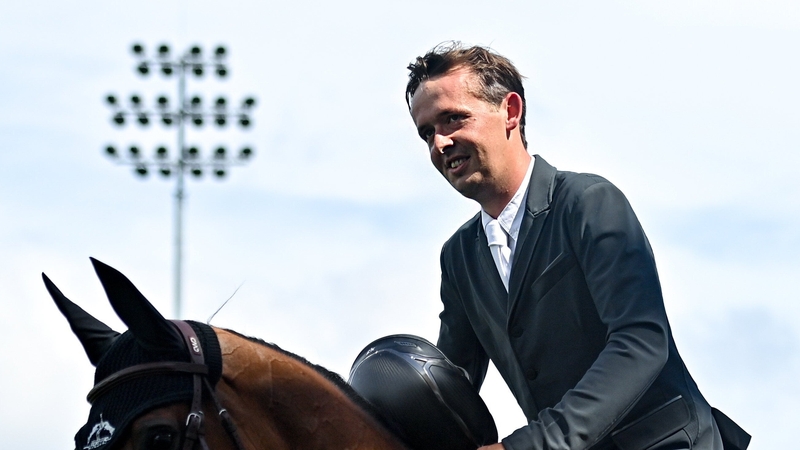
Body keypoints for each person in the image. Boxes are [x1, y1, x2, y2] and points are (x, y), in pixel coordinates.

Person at [405, 42, 749, 450]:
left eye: (453, 119)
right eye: (428, 132)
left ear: (510, 112)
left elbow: (641, 341)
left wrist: (532, 446)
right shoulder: (459, 256)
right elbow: (450, 388)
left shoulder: (589, 203)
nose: (440, 143)